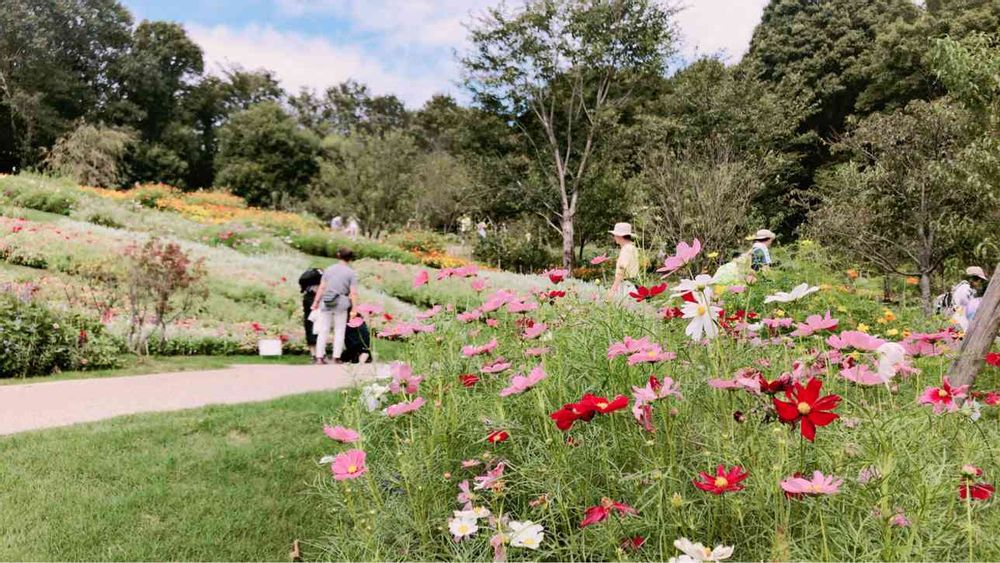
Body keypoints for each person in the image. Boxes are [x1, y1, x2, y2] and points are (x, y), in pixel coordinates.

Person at [311, 248, 359, 365]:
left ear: (338, 255)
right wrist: (354, 308)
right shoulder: (351, 273)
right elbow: (353, 293)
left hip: (326, 301)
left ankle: (319, 357)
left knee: (323, 330)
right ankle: (336, 357)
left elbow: (322, 287)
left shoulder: (329, 269)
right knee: (339, 330)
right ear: (350, 258)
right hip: (341, 302)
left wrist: (316, 302)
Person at [608, 222, 640, 298]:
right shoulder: (632, 248)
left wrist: (613, 289)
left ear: (620, 236)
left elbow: (621, 271)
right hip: (633, 284)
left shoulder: (626, 249)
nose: (614, 237)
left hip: (626, 286)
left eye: (615, 235)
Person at [298, 267, 324, 357]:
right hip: (315, 302)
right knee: (317, 327)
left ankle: (313, 353)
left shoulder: (307, 287)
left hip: (309, 302)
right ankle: (319, 353)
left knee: (309, 326)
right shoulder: (319, 280)